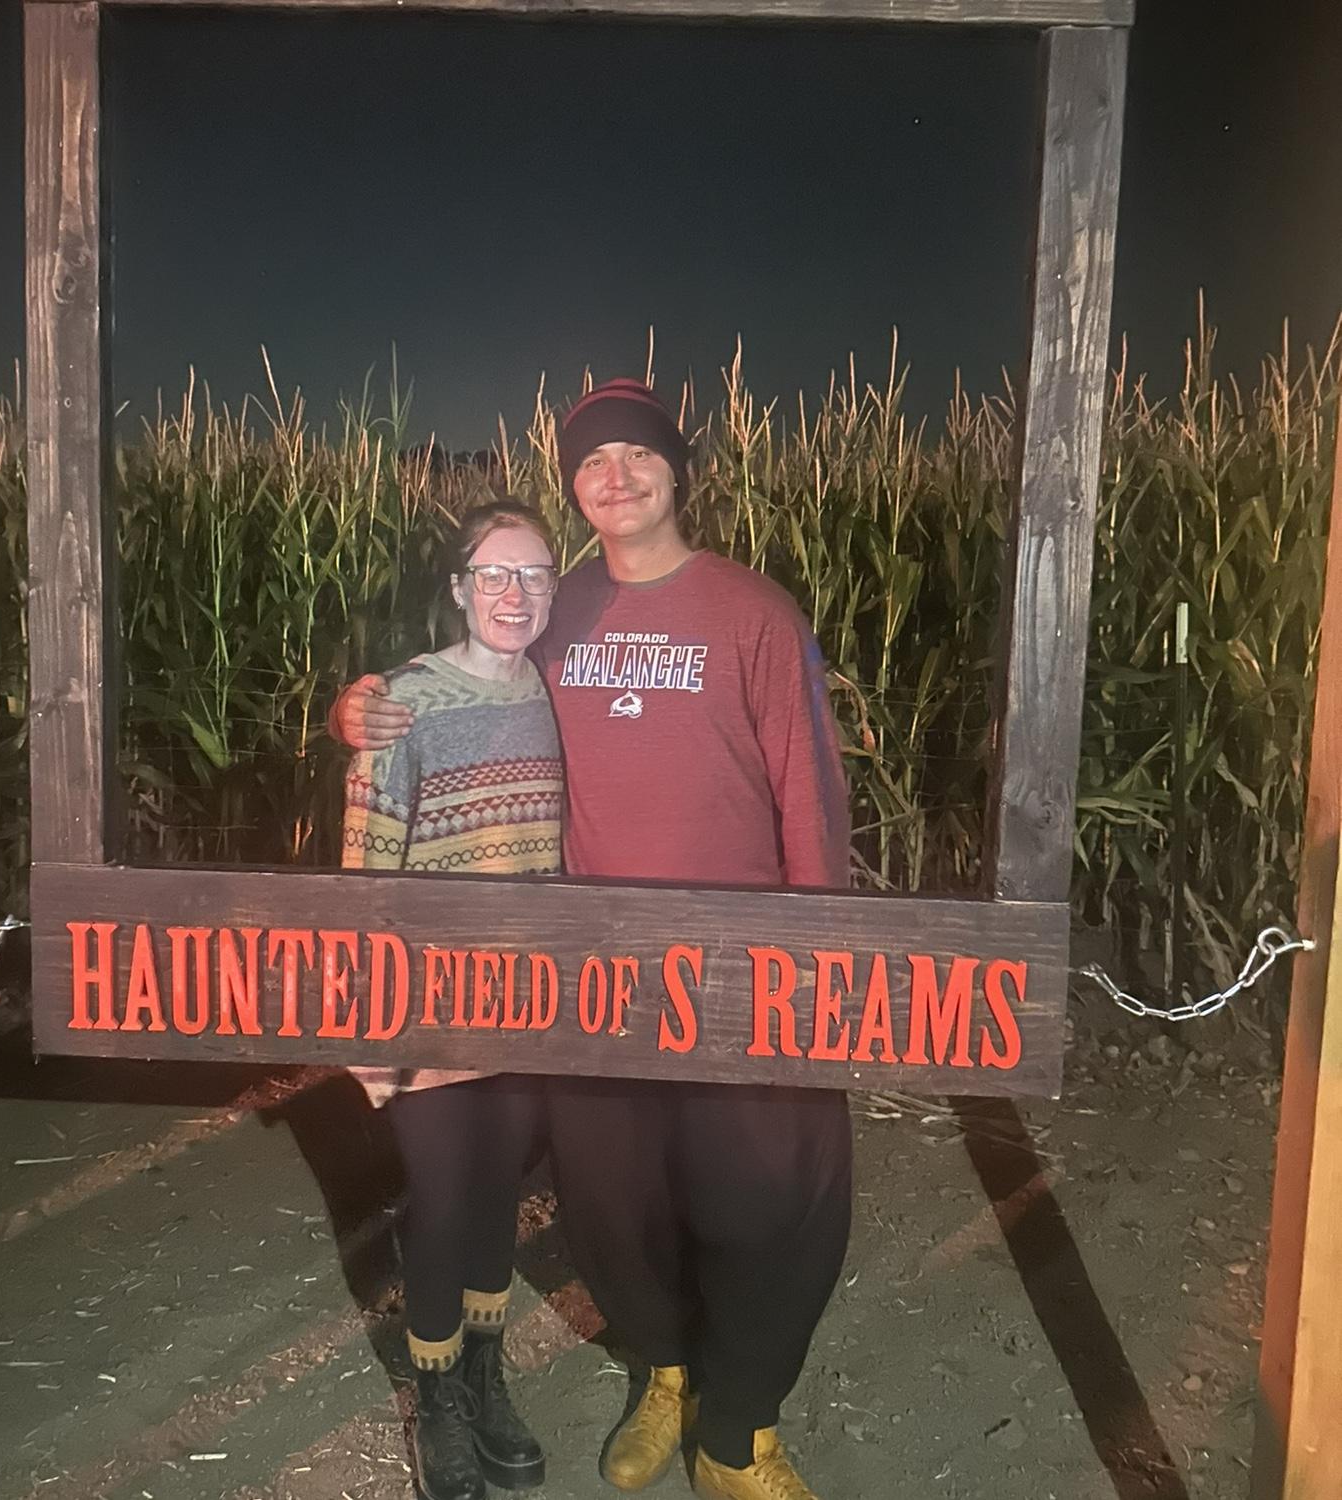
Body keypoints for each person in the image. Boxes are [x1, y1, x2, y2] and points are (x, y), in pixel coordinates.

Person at [333, 381, 854, 1500]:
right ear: (573, 488)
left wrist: (816, 955)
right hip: (593, 975)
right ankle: (665, 1373)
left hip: (738, 967)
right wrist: (359, 710)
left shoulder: (754, 612)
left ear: (679, 471)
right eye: (590, 462)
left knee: (767, 1198)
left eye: (637, 455)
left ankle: (740, 1434)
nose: (615, 477)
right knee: (616, 1204)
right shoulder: (554, 607)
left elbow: (812, 795)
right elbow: (457, 685)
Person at [341, 499, 563, 1500]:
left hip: (532, 999)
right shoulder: (403, 704)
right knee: (441, 1198)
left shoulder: (556, 694)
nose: (515, 594)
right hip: (428, 1000)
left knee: (498, 1196)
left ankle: (483, 1373)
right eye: (495, 574)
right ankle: (437, 1401)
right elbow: (366, 870)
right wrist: (365, 1021)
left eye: (536, 574)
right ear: (459, 589)